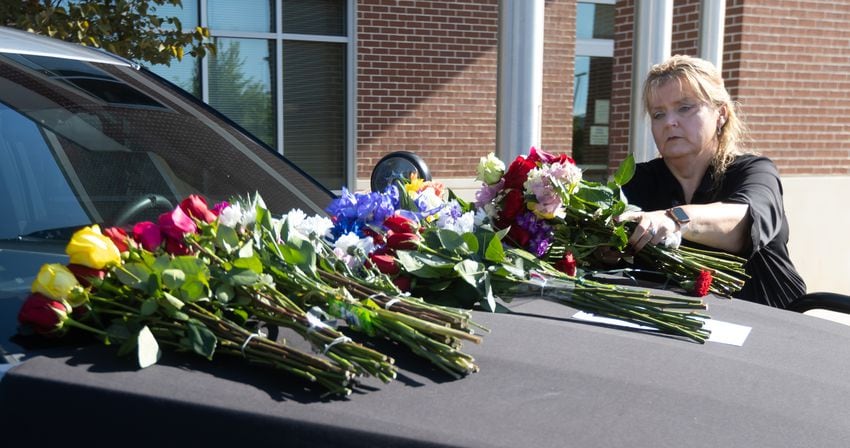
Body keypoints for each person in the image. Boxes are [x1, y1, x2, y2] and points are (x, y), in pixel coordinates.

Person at [619, 54, 806, 308]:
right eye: (658, 114)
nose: (670, 122)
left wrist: (674, 220)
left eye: (685, 108)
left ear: (721, 114)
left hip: (772, 323)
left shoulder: (754, 171)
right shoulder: (638, 180)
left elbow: (743, 223)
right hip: (678, 329)